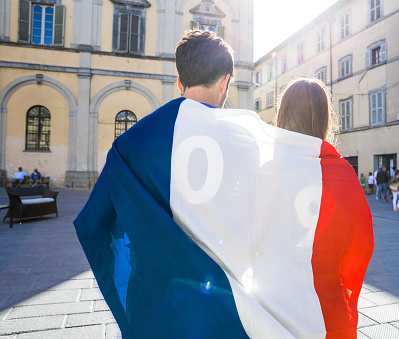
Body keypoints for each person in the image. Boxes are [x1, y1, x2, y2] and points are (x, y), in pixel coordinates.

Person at [74, 32, 373, 338]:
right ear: (225, 83)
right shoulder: (247, 139)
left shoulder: (131, 143)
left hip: (156, 302)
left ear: (179, 82)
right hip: (223, 306)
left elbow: (96, 223)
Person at [276, 77, 374, 337]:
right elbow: (361, 246)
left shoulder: (265, 170)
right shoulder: (343, 172)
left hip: (274, 311)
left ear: (283, 116)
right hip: (327, 311)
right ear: (323, 119)